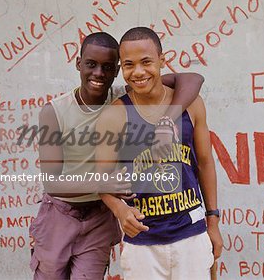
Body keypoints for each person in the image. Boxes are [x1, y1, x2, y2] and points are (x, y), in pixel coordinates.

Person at [29, 32, 204, 279]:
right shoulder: (55, 111)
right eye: (91, 64)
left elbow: (192, 79)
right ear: (79, 63)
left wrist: (169, 118)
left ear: (116, 70)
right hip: (61, 212)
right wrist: (102, 183)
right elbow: (51, 182)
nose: (99, 73)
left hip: (101, 214)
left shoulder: (125, 96)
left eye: (108, 67)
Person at [95, 27, 222, 280]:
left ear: (162, 61)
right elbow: (101, 179)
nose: (138, 72)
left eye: (146, 62)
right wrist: (121, 211)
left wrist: (213, 222)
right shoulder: (115, 114)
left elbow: (206, 164)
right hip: (143, 242)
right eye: (129, 64)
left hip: (191, 236)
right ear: (122, 69)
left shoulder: (191, 104)